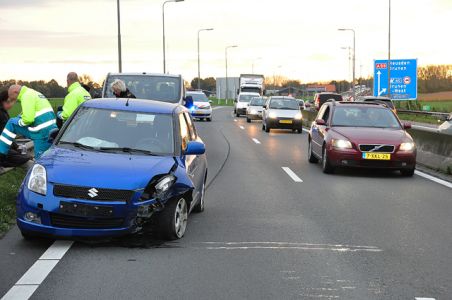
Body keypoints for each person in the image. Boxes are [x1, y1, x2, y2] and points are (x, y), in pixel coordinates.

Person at [0, 85, 57, 163]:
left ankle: (1, 153)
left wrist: (18, 122)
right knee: (48, 159)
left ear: (15, 92)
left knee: (41, 163)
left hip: (41, 133)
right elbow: (30, 113)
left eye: (11, 96)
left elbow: (28, 119)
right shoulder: (34, 93)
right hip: (51, 129)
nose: (11, 99)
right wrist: (20, 118)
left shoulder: (25, 96)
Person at [0, 90, 31, 167]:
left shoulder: (3, 112)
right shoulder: (2, 114)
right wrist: (16, 147)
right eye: (10, 102)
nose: (12, 105)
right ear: (5, 101)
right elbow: (5, 135)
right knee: (25, 160)